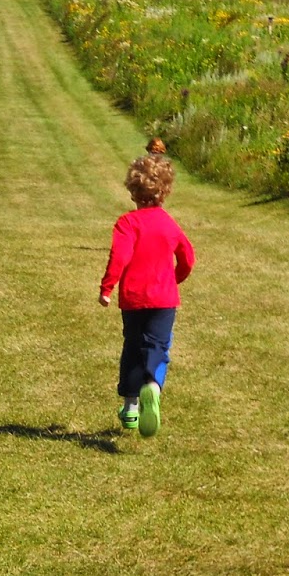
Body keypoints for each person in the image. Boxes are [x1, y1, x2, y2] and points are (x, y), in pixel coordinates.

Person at [98, 151, 194, 437]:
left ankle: (130, 407)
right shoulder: (168, 223)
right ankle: (152, 386)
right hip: (164, 299)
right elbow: (187, 257)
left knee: (132, 347)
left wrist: (107, 287)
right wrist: (174, 279)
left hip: (133, 299)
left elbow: (119, 257)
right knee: (157, 347)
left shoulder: (127, 223)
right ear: (165, 191)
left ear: (132, 190)